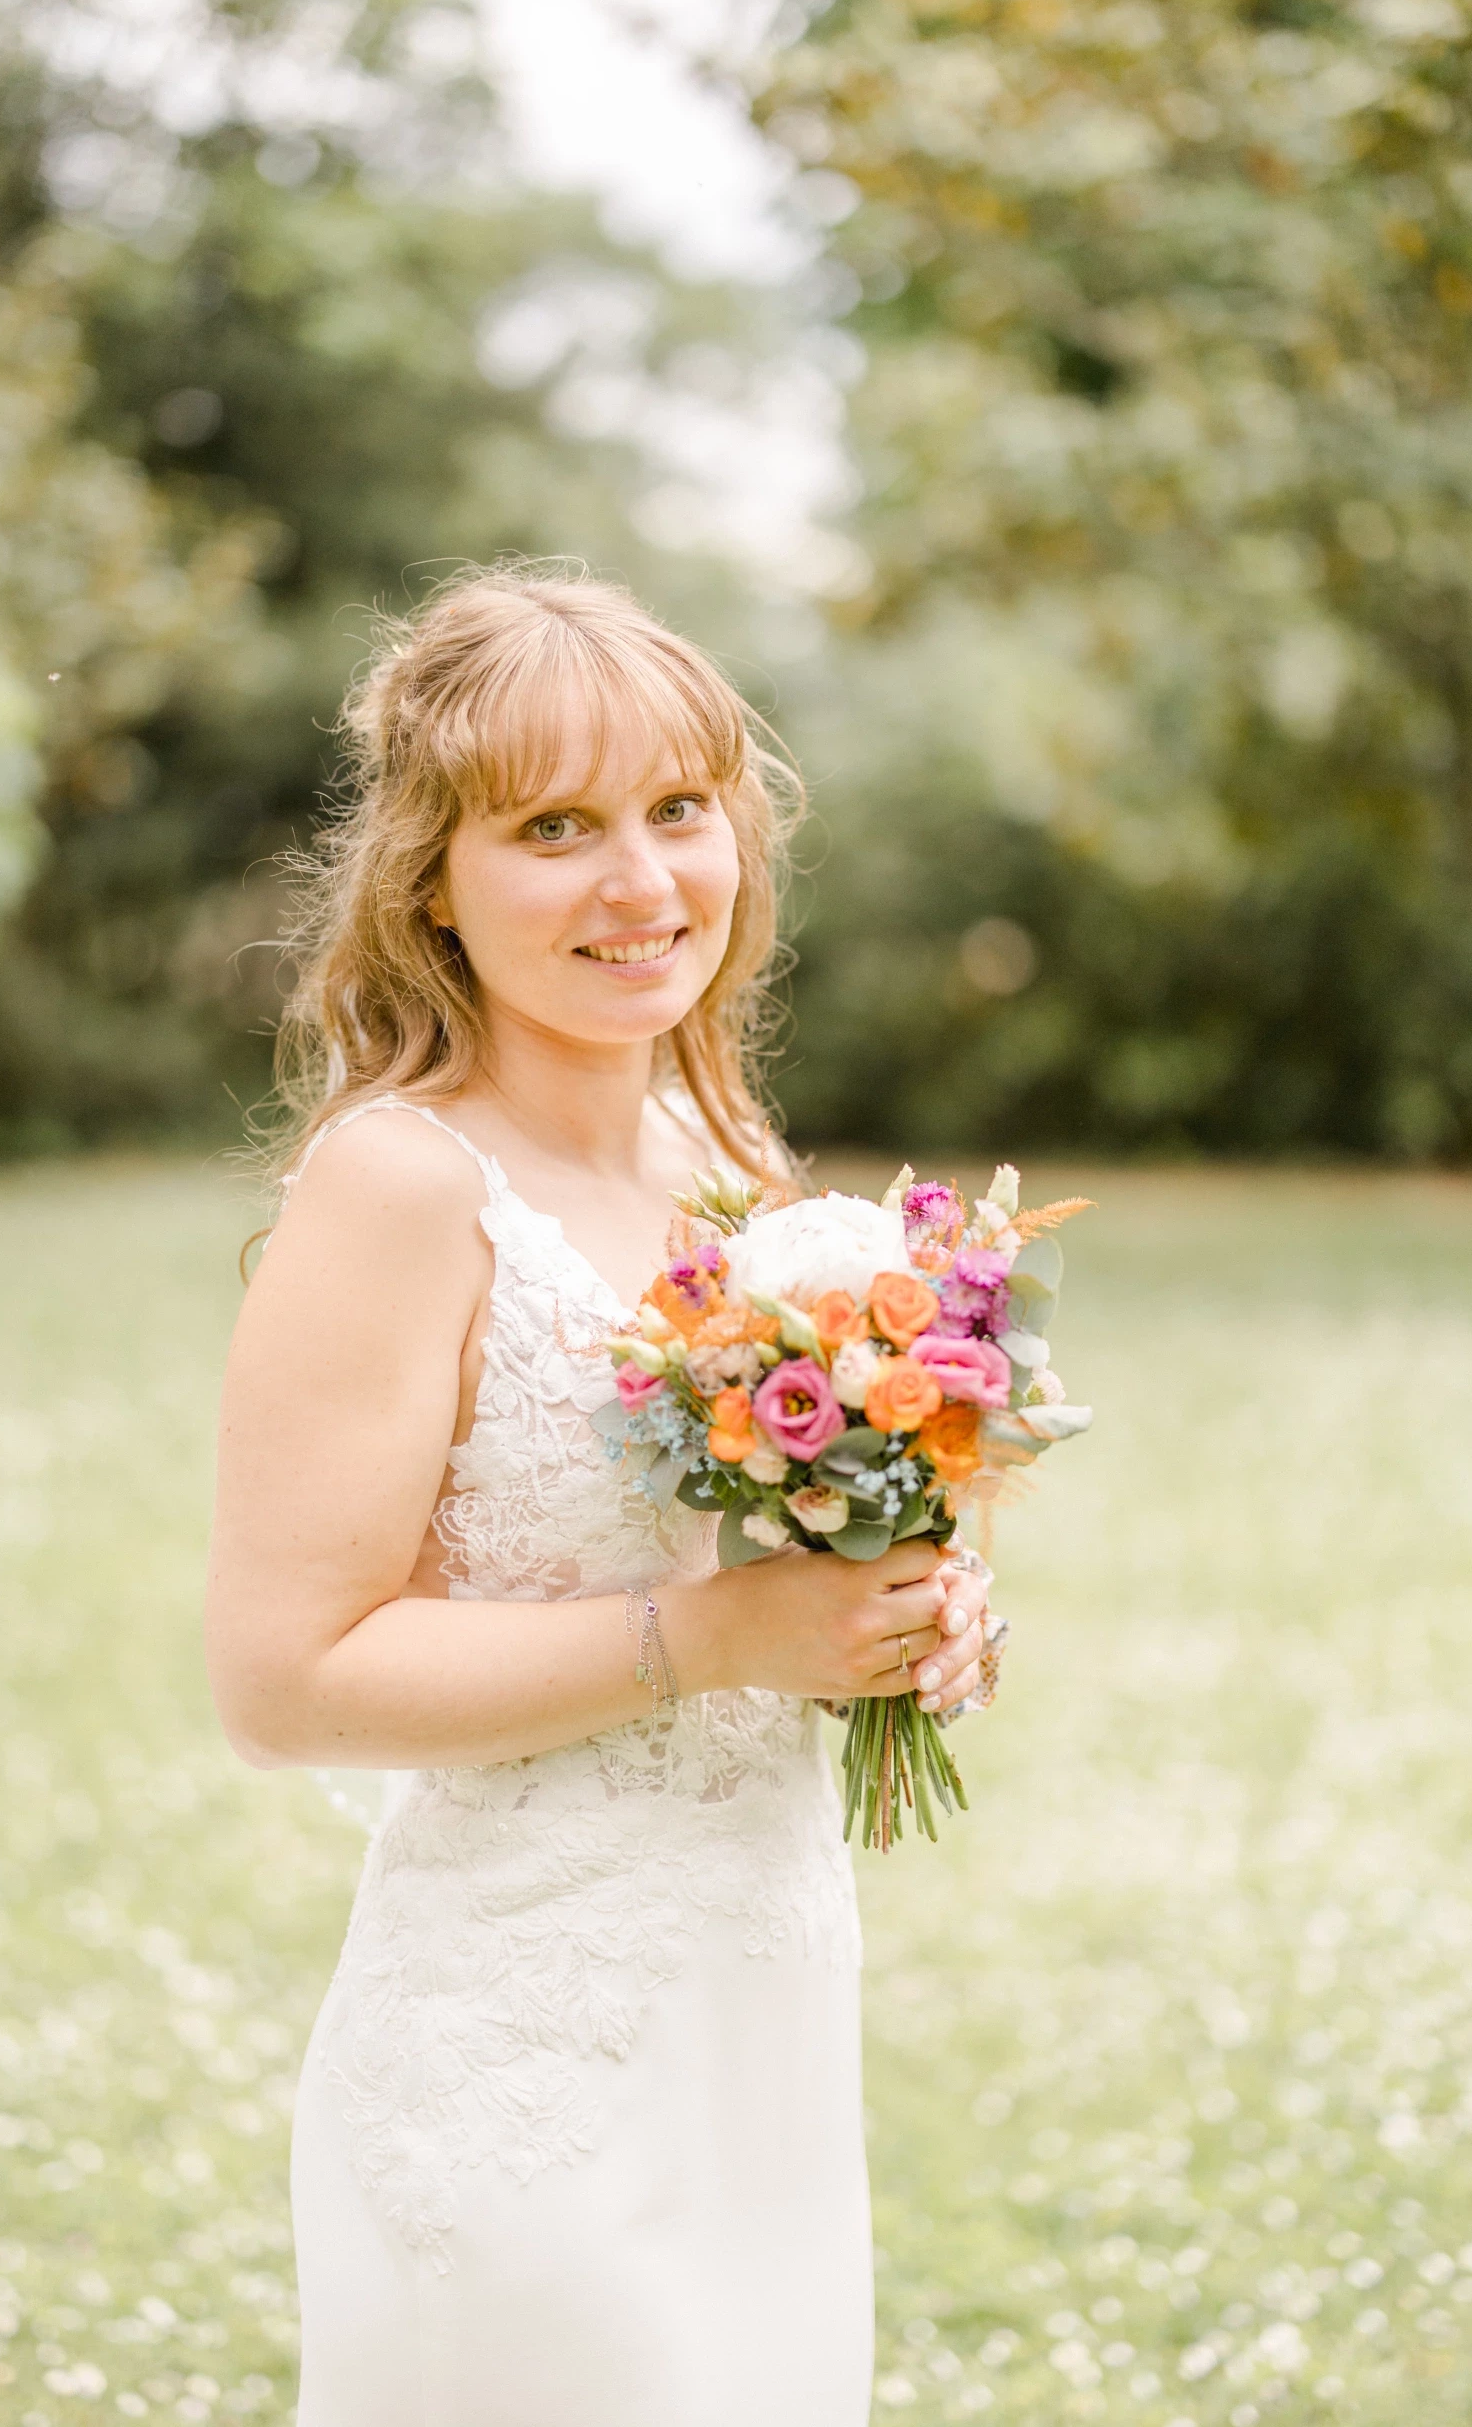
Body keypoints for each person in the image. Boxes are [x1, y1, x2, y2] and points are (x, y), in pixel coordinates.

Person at [203, 563, 989, 2426]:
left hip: (757, 2010)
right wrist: (716, 1636)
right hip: (525, 2052)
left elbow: (786, 1572)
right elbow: (283, 1685)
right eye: (553, 828)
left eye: (677, 809)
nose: (639, 883)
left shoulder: (729, 1165)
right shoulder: (400, 1188)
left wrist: (912, 1618)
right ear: (432, 878)